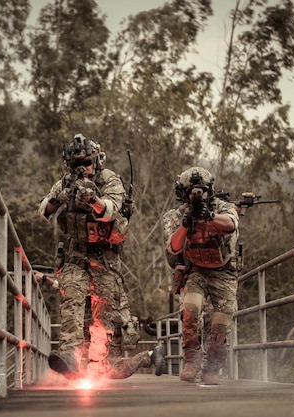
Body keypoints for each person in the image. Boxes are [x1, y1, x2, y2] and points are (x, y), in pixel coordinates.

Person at [38, 133, 165, 380]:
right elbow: (44, 211)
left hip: (106, 260)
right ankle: (69, 356)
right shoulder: (65, 182)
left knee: (101, 320)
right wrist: (62, 197)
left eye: (86, 162)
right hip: (77, 255)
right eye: (77, 165)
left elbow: (109, 211)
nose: (82, 168)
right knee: (72, 297)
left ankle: (102, 363)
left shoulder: (109, 180)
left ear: (96, 161)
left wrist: (92, 200)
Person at [165, 167, 240, 385]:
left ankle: (212, 367)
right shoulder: (177, 215)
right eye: (192, 191)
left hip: (223, 271)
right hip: (196, 269)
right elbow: (174, 247)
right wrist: (186, 224)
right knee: (190, 310)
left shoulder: (223, 207)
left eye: (202, 191)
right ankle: (192, 359)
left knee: (221, 323)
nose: (197, 196)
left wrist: (210, 216)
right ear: (184, 193)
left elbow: (231, 224)